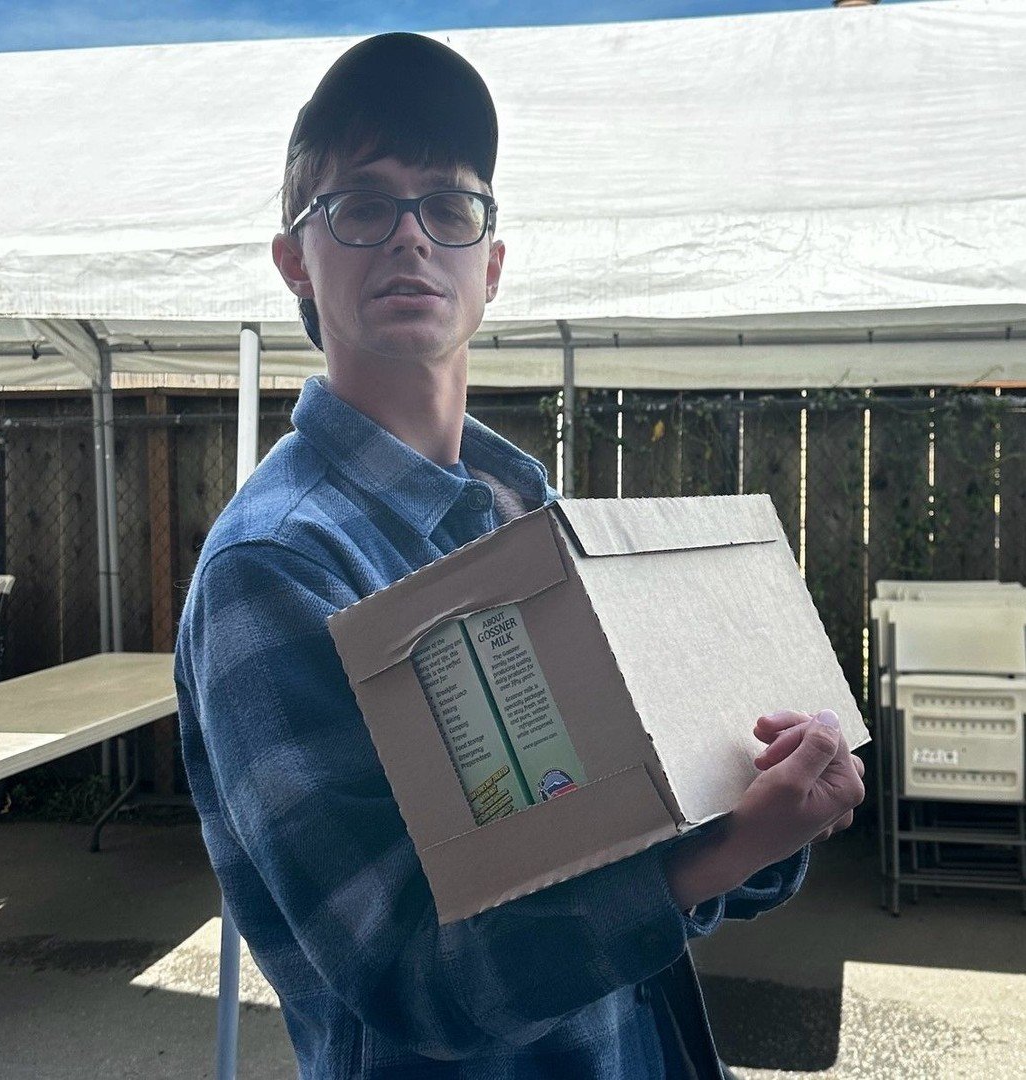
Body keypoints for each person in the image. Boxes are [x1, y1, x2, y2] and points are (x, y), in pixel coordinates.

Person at [174, 32, 865, 1080]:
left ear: (489, 265)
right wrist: (719, 856)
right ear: (294, 262)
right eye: (361, 205)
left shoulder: (526, 518)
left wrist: (764, 812)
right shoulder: (271, 566)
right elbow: (409, 976)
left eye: (447, 206)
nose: (411, 238)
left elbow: (635, 849)